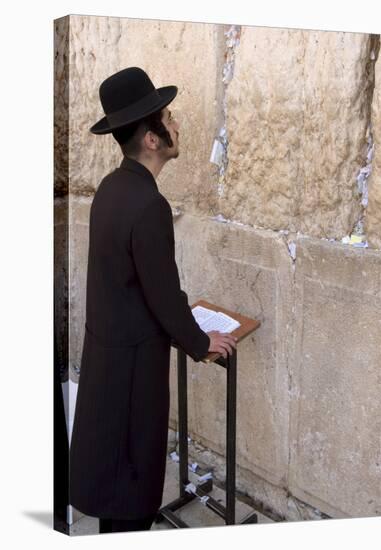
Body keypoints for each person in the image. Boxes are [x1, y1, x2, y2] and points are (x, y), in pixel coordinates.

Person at [69, 67, 237, 535]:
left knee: (112, 494)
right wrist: (201, 342)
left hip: (108, 365)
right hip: (132, 376)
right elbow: (162, 295)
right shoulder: (148, 205)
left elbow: (135, 284)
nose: (177, 124)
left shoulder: (111, 188)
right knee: (130, 502)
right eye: (169, 117)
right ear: (151, 138)